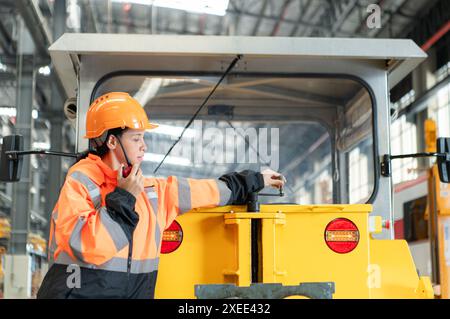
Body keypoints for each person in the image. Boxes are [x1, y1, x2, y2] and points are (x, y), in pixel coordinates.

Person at [37, 92, 285, 299]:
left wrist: (255, 180)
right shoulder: (81, 182)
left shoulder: (153, 191)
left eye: (143, 137)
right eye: (136, 138)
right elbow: (89, 246)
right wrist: (124, 198)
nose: (144, 145)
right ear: (112, 141)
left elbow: (208, 190)